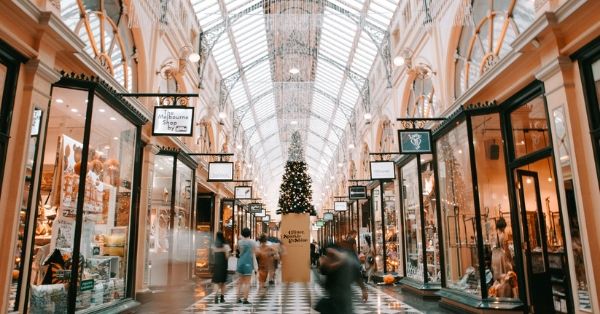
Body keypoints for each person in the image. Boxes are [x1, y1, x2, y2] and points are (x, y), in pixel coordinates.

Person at [315, 245, 368, 314]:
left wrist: (363, 289)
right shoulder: (332, 266)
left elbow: (356, 275)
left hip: (343, 300)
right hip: (337, 301)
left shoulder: (343, 264)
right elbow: (325, 266)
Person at [236, 227, 256, 304]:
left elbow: (238, 251)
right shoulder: (252, 242)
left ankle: (238, 298)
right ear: (250, 234)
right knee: (247, 282)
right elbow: (254, 252)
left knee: (239, 282)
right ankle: (245, 299)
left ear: (242, 234)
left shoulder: (239, 242)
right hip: (248, 263)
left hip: (240, 262)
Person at [211, 232, 230, 304]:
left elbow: (213, 255)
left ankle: (216, 296)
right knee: (223, 282)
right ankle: (222, 298)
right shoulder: (226, 246)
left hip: (216, 265)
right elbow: (227, 256)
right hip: (223, 266)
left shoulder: (214, 245)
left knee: (216, 282)